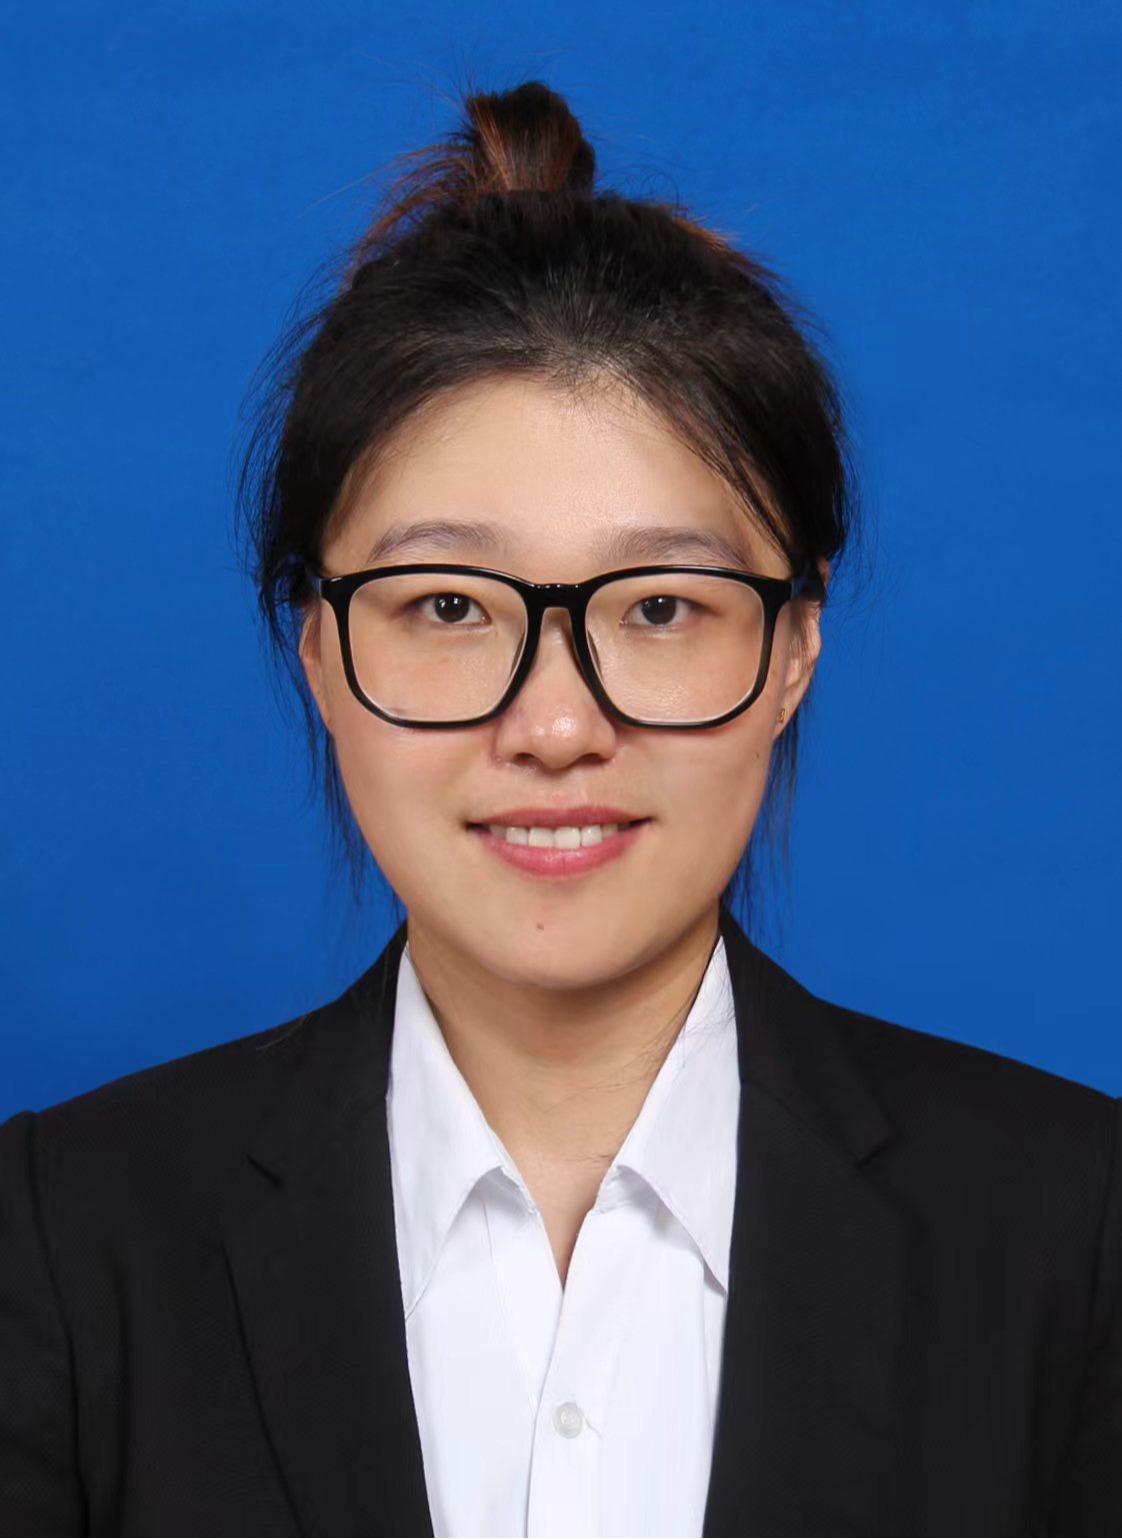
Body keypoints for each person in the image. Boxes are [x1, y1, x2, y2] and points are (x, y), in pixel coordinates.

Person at [0, 79, 1118, 1539]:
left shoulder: (1079, 1235)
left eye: (659, 608)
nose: (555, 726)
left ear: (793, 647)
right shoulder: (58, 1240)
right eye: (447, 606)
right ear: (319, 649)